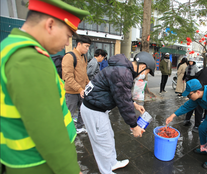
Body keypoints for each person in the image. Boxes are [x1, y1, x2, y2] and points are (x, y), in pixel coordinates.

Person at [0, 0, 89, 174]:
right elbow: (50, 134)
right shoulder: (30, 59)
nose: (66, 43)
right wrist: (70, 170)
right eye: (68, 36)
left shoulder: (8, 47)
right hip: (39, 164)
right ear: (50, 25)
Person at [80, 51, 156, 174]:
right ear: (142, 67)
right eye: (146, 73)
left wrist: (134, 104)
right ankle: (106, 171)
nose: (143, 75)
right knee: (102, 143)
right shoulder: (123, 73)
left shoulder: (122, 68)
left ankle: (112, 163)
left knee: (109, 137)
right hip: (94, 110)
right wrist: (134, 126)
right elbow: (123, 103)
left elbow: (121, 94)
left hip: (98, 107)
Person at [62, 35, 91, 134]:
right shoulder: (69, 56)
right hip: (71, 92)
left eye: (88, 47)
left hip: (82, 90)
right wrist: (79, 89)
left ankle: (79, 127)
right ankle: (65, 132)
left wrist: (89, 84)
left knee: (82, 111)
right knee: (69, 113)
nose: (87, 49)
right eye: (86, 46)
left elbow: (84, 74)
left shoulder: (84, 58)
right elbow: (68, 77)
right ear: (79, 44)